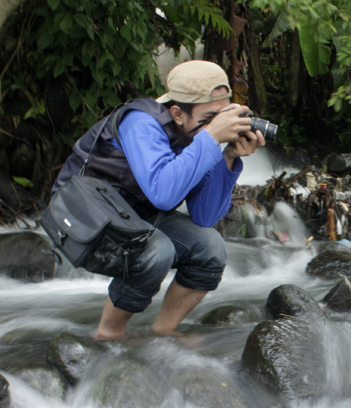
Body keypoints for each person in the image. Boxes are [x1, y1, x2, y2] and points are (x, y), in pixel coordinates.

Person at [51, 60, 265, 340]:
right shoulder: (141, 123)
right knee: (156, 250)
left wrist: (228, 157)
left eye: (222, 115)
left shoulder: (197, 135)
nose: (219, 124)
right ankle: (108, 335)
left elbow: (205, 217)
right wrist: (211, 137)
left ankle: (163, 332)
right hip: (82, 216)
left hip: (132, 214)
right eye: (210, 117)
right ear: (177, 113)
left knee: (210, 247)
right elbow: (164, 195)